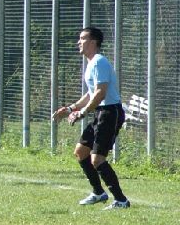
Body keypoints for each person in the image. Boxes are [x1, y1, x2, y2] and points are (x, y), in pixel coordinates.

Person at [51, 27, 130, 209]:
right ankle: (98, 193)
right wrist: (71, 108)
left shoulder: (99, 62)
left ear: (93, 42)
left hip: (110, 113)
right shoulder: (91, 63)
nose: (79, 42)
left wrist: (83, 112)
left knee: (97, 159)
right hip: (100, 112)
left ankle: (121, 200)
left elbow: (101, 93)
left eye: (82, 38)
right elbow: (91, 93)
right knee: (81, 152)